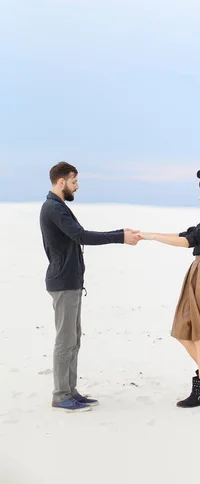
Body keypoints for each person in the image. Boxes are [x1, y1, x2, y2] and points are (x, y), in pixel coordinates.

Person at [40, 161, 140, 413]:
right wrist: (120, 238)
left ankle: (70, 391)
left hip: (70, 282)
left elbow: (77, 236)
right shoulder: (53, 208)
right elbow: (81, 236)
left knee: (73, 339)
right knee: (65, 340)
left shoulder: (57, 206)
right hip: (63, 283)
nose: (77, 186)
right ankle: (61, 395)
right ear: (61, 182)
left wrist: (120, 231)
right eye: (74, 181)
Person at [138, 169, 200, 408]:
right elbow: (187, 234)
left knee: (198, 333)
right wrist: (150, 234)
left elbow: (187, 241)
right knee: (184, 330)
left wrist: (152, 237)